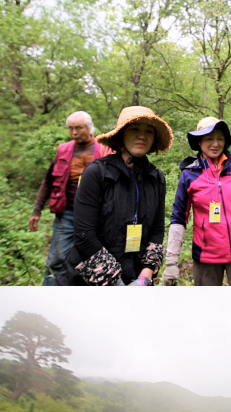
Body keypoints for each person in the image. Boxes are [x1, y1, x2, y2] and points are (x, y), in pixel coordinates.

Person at [59, 106, 172, 285]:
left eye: (148, 131)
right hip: (89, 281)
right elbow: (84, 235)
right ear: (122, 134)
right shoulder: (96, 173)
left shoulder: (156, 178)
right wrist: (117, 285)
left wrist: (145, 276)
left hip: (134, 275)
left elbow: (157, 231)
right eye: (135, 129)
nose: (142, 135)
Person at [163, 117, 231, 286]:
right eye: (209, 138)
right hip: (206, 256)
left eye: (220, 138)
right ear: (199, 141)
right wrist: (171, 262)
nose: (215, 143)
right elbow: (178, 218)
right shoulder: (189, 174)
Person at [29, 111, 111, 285]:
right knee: (56, 260)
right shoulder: (63, 151)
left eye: (78, 128)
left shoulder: (104, 150)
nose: (74, 132)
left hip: (95, 217)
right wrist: (37, 210)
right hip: (67, 214)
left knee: (94, 260)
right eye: (70, 128)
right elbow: (48, 182)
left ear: (89, 128)